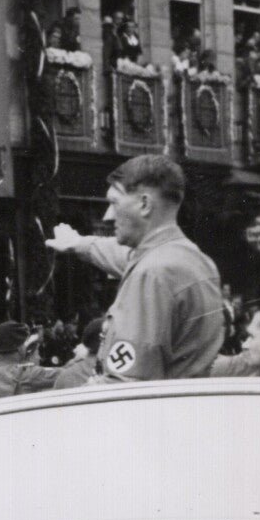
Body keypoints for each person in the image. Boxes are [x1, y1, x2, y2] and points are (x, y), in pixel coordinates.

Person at [46, 154, 227, 381]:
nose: (108, 215)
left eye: (114, 202)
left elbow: (125, 384)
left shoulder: (152, 272)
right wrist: (79, 244)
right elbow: (125, 256)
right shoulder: (191, 259)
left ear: (144, 204)